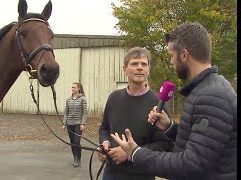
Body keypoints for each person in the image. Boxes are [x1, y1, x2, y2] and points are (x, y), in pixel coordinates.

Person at [111, 22, 237, 180]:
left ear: (184, 55)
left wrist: (136, 153)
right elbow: (200, 143)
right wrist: (169, 127)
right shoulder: (206, 90)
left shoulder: (212, 96)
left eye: (171, 56)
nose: (171, 62)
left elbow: (191, 164)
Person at [98, 47, 174, 180]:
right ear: (124, 69)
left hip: (141, 174)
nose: (140, 67)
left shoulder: (158, 103)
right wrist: (105, 143)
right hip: (111, 173)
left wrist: (130, 153)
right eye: (134, 64)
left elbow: (164, 144)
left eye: (144, 64)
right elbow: (104, 128)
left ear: (148, 69)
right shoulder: (113, 98)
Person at [62, 82, 87, 167]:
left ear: (78, 88)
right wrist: (64, 123)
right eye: (72, 87)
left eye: (74, 87)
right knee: (72, 142)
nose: (72, 89)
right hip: (69, 123)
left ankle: (78, 158)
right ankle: (75, 158)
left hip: (78, 123)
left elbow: (85, 112)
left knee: (77, 141)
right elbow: (66, 112)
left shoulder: (83, 99)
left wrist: (83, 123)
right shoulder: (68, 99)